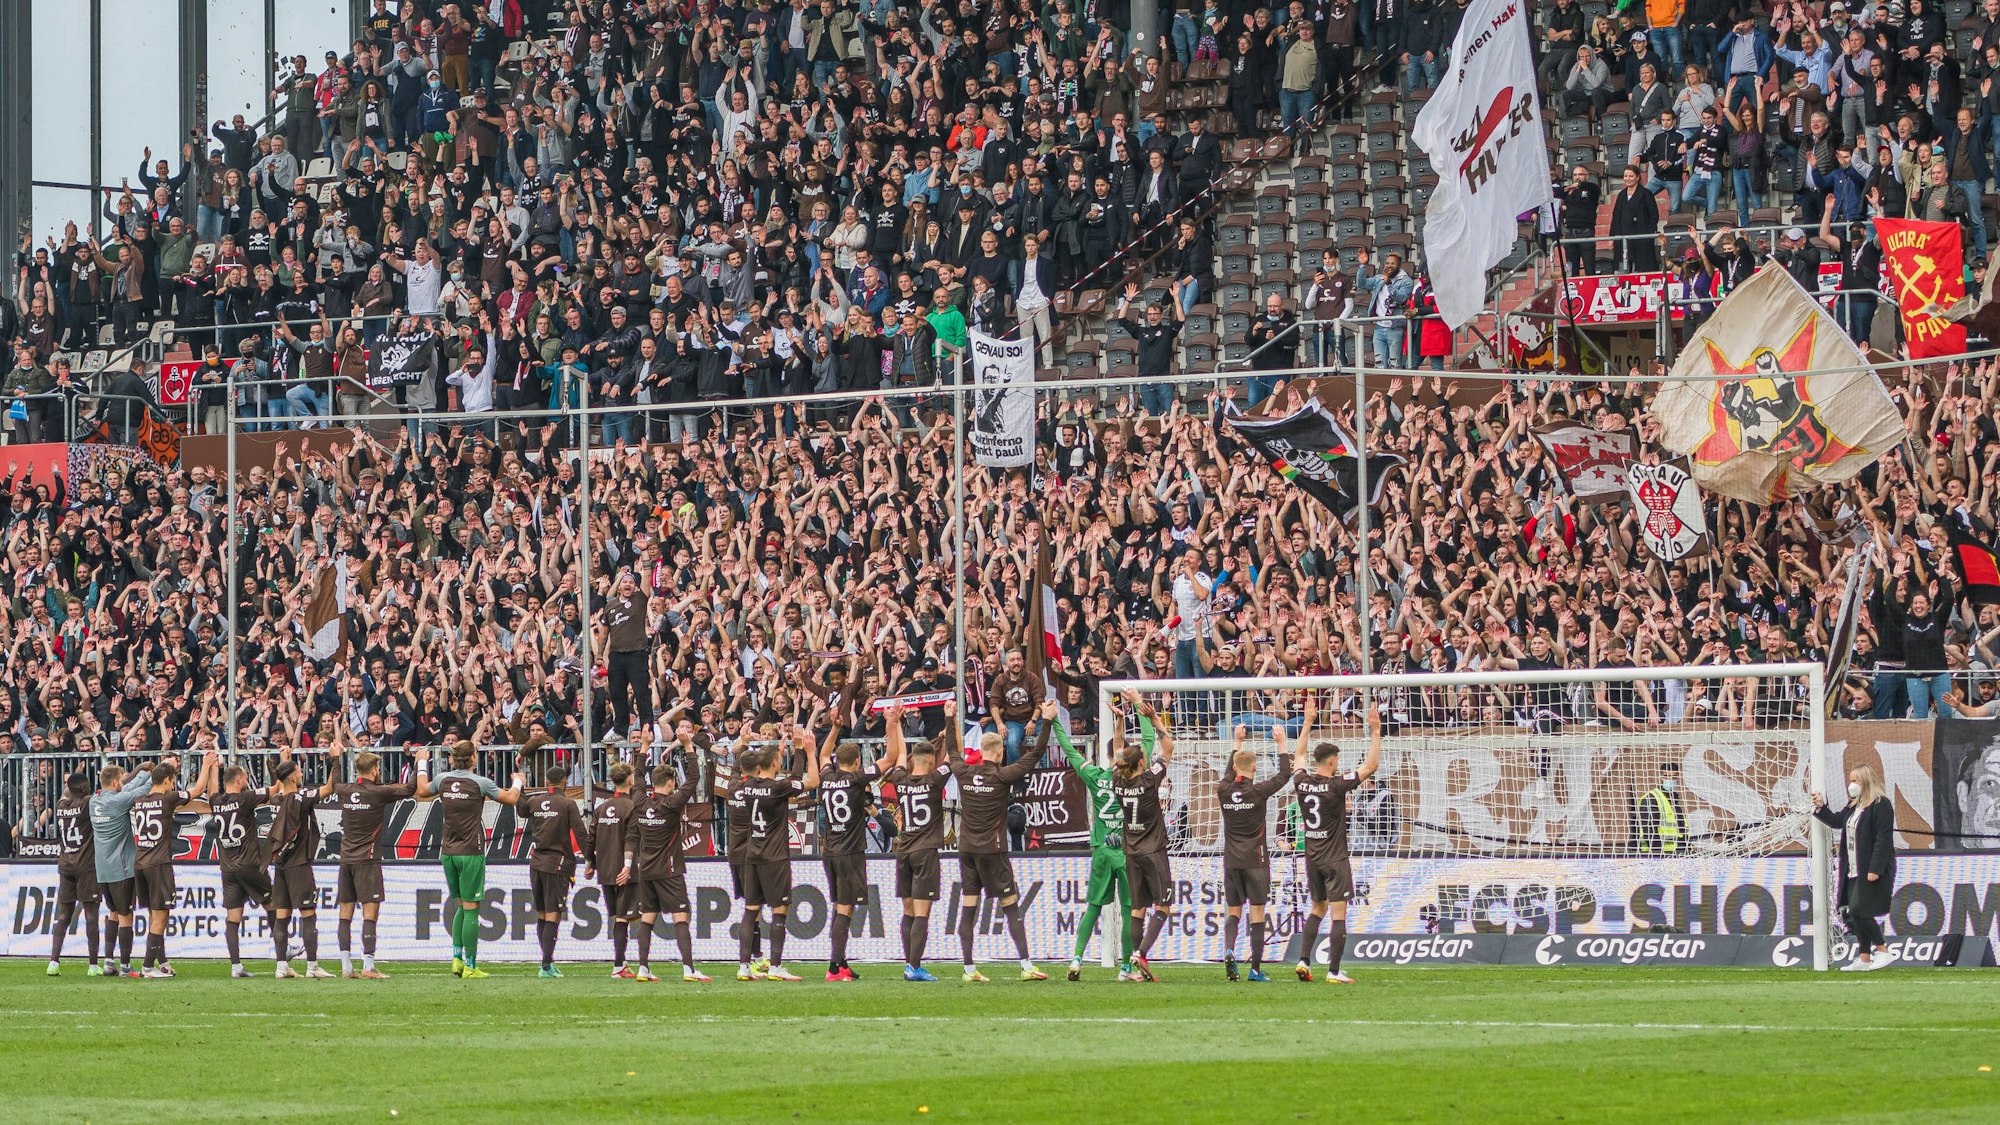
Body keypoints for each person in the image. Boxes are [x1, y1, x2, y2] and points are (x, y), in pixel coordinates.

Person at [951, 706, 1054, 982]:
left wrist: (951, 718)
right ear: (998, 753)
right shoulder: (1001, 776)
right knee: (1010, 905)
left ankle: (969, 969)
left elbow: (952, 754)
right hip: (993, 851)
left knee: (969, 907)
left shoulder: (963, 772)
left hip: (967, 850)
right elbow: (1035, 755)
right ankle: (1026, 965)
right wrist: (1048, 722)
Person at [1291, 700, 1382, 985]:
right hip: (1334, 858)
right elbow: (1371, 766)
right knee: (1338, 912)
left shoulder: (1301, 782)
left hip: (1312, 857)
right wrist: (1376, 731)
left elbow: (1298, 757)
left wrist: (1307, 723)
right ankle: (1333, 971)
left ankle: (1303, 961)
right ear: (1332, 762)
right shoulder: (1336, 785)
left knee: (1317, 908)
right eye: (1337, 760)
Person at [730, 725, 822, 982]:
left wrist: (776, 750)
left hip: (752, 855)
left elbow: (757, 774)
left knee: (750, 910)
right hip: (774, 857)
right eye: (780, 758)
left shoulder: (746, 788)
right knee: (779, 909)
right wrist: (809, 752)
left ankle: (744, 967)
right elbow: (813, 781)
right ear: (774, 763)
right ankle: (776, 966)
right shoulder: (777, 788)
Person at [431, 740, 526, 979]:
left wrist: (422, 762)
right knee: (472, 908)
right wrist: (518, 781)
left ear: (453, 759)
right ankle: (471, 966)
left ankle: (456, 959)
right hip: (470, 851)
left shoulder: (442, 780)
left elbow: (422, 790)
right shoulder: (480, 783)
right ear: (473, 759)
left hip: (447, 852)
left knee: (461, 906)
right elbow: (511, 798)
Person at [625, 736, 710, 984]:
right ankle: (688, 969)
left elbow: (637, 777)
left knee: (648, 916)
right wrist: (687, 746)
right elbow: (693, 779)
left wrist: (643, 747)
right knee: (680, 916)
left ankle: (643, 968)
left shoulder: (639, 801)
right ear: (671, 782)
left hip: (646, 870)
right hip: (669, 871)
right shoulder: (672, 803)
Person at [329, 745, 416, 979]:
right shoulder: (378, 792)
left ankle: (346, 967)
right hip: (367, 860)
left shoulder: (345, 791)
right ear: (375, 770)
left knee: (344, 914)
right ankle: (368, 966)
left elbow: (335, 783)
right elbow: (410, 788)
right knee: (370, 913)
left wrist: (335, 759)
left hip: (346, 859)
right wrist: (421, 761)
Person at [879, 704, 952, 981]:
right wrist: (950, 722)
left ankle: (909, 963)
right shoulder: (934, 780)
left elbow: (897, 754)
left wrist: (895, 723)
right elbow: (952, 760)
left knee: (908, 911)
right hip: (925, 852)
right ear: (931, 761)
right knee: (922, 913)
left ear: (913, 760)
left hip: (904, 850)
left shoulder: (900, 780)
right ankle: (913, 966)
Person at [1217, 724, 1295, 982]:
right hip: (1256, 861)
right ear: (1254, 769)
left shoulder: (1223, 790)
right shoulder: (1258, 791)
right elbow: (1285, 774)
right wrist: (1281, 743)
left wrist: (1237, 741)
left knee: (1233, 911)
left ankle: (1229, 950)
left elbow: (1229, 772)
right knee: (1257, 913)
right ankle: (1255, 969)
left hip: (1231, 862)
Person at [129, 753, 217, 977]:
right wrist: (207, 765)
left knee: (155, 915)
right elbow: (197, 790)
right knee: (161, 916)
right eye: (173, 780)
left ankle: (163, 962)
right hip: (159, 863)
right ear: (168, 780)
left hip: (140, 863)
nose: (173, 784)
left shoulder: (140, 802)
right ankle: (148, 968)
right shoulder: (167, 799)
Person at [1113, 694, 1179, 982]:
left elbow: (1118, 751)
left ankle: (1129, 964)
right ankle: (1140, 953)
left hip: (1131, 851)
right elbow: (1168, 746)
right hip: (1154, 850)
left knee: (1138, 909)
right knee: (1163, 906)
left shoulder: (1118, 781)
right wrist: (1154, 719)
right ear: (1142, 762)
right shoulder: (1150, 779)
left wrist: (1119, 722)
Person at [1813, 764, 1897, 970]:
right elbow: (1836, 821)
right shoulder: (1853, 805)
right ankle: (1864, 956)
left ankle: (1882, 949)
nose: (1851, 785)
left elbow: (1883, 839)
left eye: (1855, 780)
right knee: (1850, 912)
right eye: (1850, 780)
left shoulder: (1881, 804)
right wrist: (1820, 807)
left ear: (1866, 781)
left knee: (1860, 909)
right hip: (1851, 868)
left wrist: (1875, 868)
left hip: (1869, 869)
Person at [267, 751, 337, 979]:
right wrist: (335, 760)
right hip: (299, 864)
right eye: (297, 771)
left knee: (282, 916)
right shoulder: (301, 798)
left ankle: (281, 966)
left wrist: (282, 761)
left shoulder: (277, 800)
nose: (301, 773)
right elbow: (330, 787)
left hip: (280, 865)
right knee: (308, 914)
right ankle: (312, 967)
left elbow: (278, 786)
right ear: (292, 777)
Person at [208, 758, 279, 978]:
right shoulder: (245, 798)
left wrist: (211, 768)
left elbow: (211, 791)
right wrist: (275, 769)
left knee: (233, 917)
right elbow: (276, 789)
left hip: (228, 869)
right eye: (245, 778)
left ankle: (236, 966)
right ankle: (283, 948)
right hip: (250, 865)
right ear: (239, 780)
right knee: (274, 904)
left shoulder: (216, 801)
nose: (247, 782)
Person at [815, 722, 875, 982]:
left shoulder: (827, 777)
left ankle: (841, 962)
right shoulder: (857, 778)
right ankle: (833, 968)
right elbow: (894, 756)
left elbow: (822, 755)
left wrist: (835, 729)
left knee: (841, 907)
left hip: (830, 850)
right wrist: (894, 724)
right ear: (858, 761)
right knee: (845, 909)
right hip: (850, 852)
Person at [88, 759, 158, 979]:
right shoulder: (119, 801)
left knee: (113, 914)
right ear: (116, 782)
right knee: (126, 915)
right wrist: (155, 770)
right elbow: (144, 788)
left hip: (102, 869)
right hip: (122, 868)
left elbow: (126, 787)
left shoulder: (94, 800)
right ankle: (126, 967)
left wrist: (140, 770)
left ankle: (109, 962)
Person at [521, 762, 590, 979]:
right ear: (564, 783)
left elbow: (521, 809)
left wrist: (521, 789)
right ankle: (546, 964)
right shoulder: (567, 804)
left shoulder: (535, 801)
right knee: (553, 913)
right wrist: (591, 859)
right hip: (557, 863)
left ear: (546, 782)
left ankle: (547, 963)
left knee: (542, 913)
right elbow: (580, 833)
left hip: (537, 862)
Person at [590, 760, 642, 979]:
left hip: (605, 869)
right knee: (623, 917)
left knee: (618, 916)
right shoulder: (632, 806)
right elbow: (632, 838)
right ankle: (618, 965)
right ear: (630, 780)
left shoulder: (601, 807)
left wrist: (589, 864)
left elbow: (590, 837)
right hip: (625, 871)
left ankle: (622, 962)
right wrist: (628, 866)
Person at [48, 771, 103, 976]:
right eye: (87, 785)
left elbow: (66, 792)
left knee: (63, 915)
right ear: (83, 789)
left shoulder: (62, 806)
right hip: (86, 866)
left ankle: (53, 962)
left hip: (66, 865)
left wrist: (68, 781)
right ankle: (92, 965)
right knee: (91, 916)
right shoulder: (87, 802)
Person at [1634, 762, 1684, 854]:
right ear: (1660, 777)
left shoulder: (1673, 799)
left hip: (1675, 852)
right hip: (1657, 854)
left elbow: (1680, 830)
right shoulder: (1651, 799)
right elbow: (1649, 831)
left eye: (1674, 777)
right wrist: (1658, 854)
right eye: (1666, 776)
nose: (1670, 780)